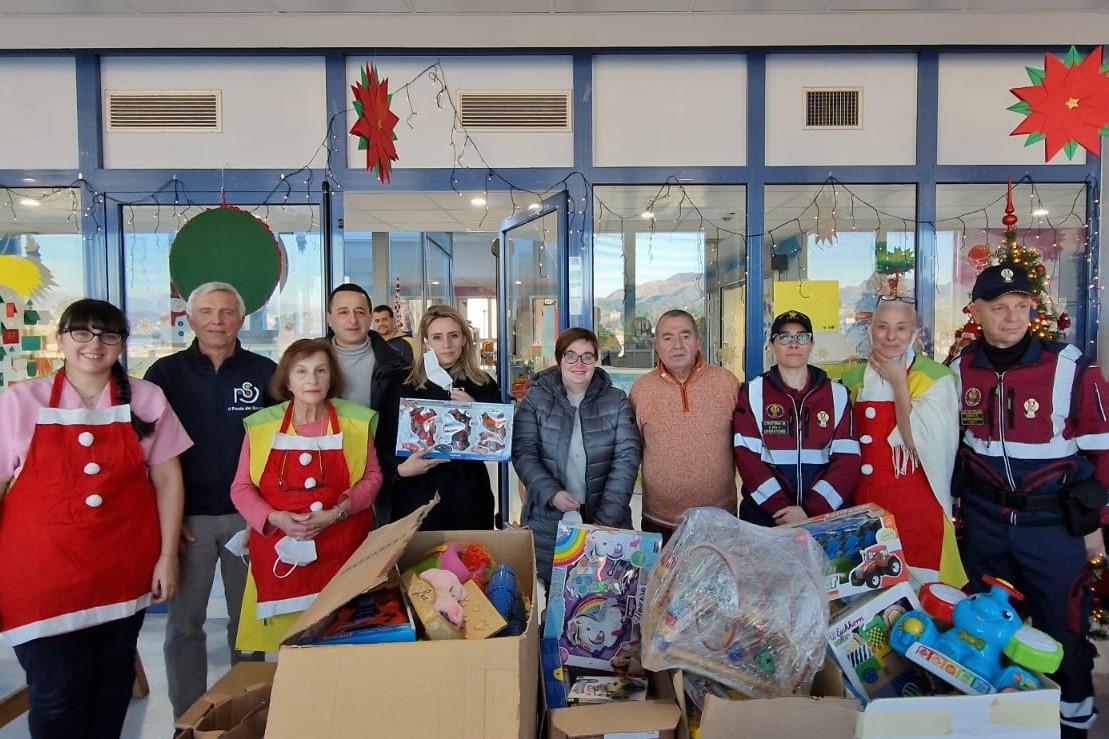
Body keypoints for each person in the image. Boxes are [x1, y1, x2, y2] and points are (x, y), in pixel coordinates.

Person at [0, 299, 191, 738]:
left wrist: (167, 557)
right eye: (82, 333)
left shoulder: (146, 398)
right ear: (62, 339)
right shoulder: (21, 401)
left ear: (122, 344)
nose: (94, 344)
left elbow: (167, 480)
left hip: (121, 571)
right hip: (40, 577)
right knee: (57, 693)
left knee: (112, 684)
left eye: (108, 334)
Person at [952, 263, 1109, 738]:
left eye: (1021, 306)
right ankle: (994, 725)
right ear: (976, 311)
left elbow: (1102, 452)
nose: (1012, 317)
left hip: (1052, 530)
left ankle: (1073, 724)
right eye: (999, 308)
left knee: (1063, 632)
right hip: (984, 526)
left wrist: (1096, 525)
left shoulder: (1072, 367)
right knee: (982, 633)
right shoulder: (960, 369)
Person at [144, 282, 276, 719]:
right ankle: (189, 719)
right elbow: (145, 455)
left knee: (248, 627)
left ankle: (248, 714)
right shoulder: (164, 376)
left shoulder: (266, 373)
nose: (217, 320)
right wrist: (163, 520)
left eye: (226, 312)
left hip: (249, 517)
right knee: (184, 627)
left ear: (242, 318)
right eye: (206, 311)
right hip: (188, 520)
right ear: (190, 318)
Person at [230, 338, 382, 652]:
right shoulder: (262, 426)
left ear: (332, 378)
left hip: (343, 549)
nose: (311, 380)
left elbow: (372, 478)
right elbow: (241, 488)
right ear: (286, 379)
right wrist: (274, 518)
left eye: (320, 371)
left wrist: (338, 510)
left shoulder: (356, 422)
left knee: (342, 645)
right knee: (288, 652)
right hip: (280, 554)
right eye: (301, 371)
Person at [840, 296, 966, 586]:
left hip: (918, 511)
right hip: (865, 508)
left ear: (914, 333)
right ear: (870, 330)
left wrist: (899, 383)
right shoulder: (851, 379)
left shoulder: (937, 378)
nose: (891, 336)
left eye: (901, 328)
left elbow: (914, 442)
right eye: (882, 327)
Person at [512, 327, 641, 585]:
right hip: (549, 519)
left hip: (607, 520)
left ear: (596, 360)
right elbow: (524, 453)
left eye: (587, 356)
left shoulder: (616, 401)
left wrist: (606, 519)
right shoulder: (535, 400)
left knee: (605, 596)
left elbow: (627, 458)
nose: (579, 364)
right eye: (571, 356)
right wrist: (552, 494)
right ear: (559, 360)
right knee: (557, 595)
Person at [734, 310, 859, 527]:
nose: (794, 344)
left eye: (801, 337)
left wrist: (811, 511)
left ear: (811, 344)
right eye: (784, 337)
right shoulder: (752, 393)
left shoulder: (837, 394)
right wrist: (782, 511)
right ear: (771, 346)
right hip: (766, 520)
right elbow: (747, 459)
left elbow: (848, 459)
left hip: (824, 520)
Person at [628, 309, 741, 544]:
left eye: (685, 336)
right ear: (656, 345)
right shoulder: (641, 391)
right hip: (659, 523)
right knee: (663, 582)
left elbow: (745, 449)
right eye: (668, 338)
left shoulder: (727, 383)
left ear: (698, 341)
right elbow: (631, 454)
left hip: (720, 521)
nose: (677, 345)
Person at [389, 304, 501, 531]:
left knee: (472, 563)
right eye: (437, 337)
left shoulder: (482, 384)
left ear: (464, 340)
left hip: (469, 498)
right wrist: (399, 471)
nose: (446, 344)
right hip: (416, 498)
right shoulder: (402, 384)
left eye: (453, 336)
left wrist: (476, 412)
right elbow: (383, 443)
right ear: (426, 342)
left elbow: (497, 446)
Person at [326, 284, 408, 523]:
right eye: (343, 312)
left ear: (370, 317)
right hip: (323, 476)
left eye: (360, 312)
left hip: (381, 479)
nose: (352, 319)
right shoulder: (308, 361)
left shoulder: (397, 365)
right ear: (330, 318)